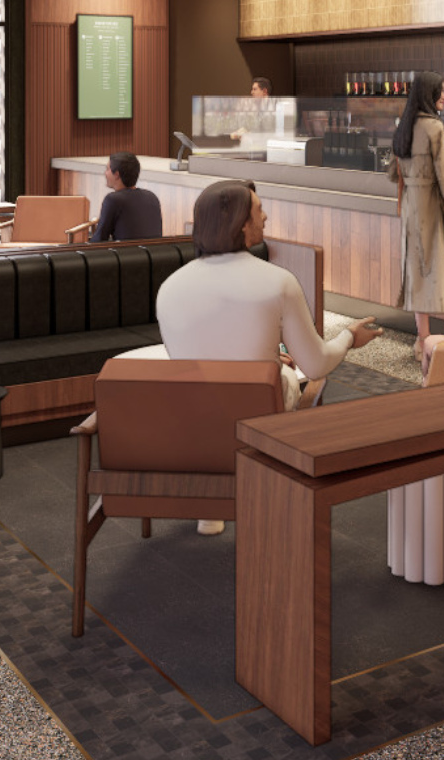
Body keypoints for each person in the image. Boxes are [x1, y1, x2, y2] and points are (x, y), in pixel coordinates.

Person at [154, 181, 381, 532]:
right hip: (257, 418)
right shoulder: (278, 281)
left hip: (192, 420)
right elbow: (317, 364)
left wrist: (264, 355)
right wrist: (349, 336)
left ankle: (211, 505)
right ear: (242, 223)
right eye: (259, 211)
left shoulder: (169, 288)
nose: (266, 217)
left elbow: (200, 351)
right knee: (292, 378)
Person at [392, 70, 444, 359]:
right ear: (429, 93)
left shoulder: (403, 127)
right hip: (437, 209)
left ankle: (422, 342)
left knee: (418, 274)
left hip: (412, 210)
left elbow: (393, 172)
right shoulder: (435, 129)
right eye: (441, 90)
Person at [93, 149, 162, 242]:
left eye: (107, 169)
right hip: (153, 251)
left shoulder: (113, 200)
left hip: (126, 251)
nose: (105, 173)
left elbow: (99, 240)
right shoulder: (152, 197)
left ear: (116, 174)